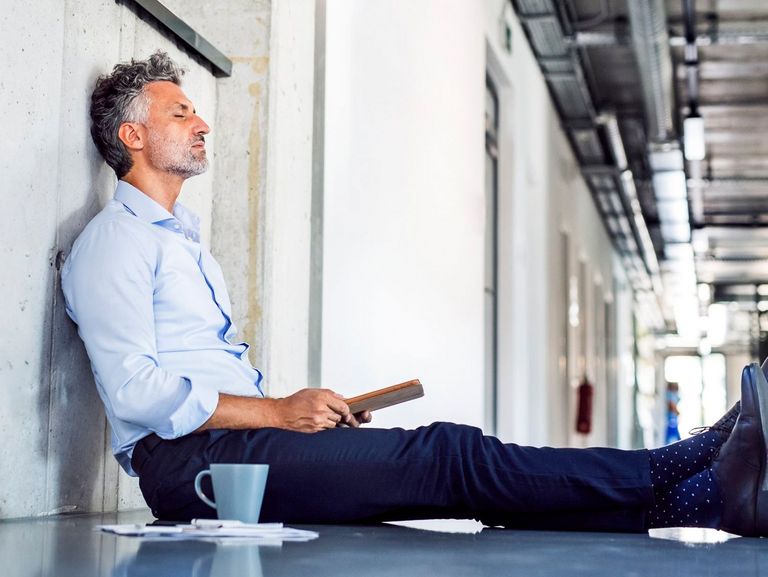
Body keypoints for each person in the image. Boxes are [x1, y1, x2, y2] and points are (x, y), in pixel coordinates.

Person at [62, 52, 768, 536]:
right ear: (133, 134)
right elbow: (135, 391)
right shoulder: (113, 242)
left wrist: (290, 416)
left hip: (235, 445)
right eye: (180, 112)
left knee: (453, 468)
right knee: (448, 458)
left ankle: (706, 496)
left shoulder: (180, 239)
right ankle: (683, 469)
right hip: (192, 469)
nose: (202, 123)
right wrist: (279, 409)